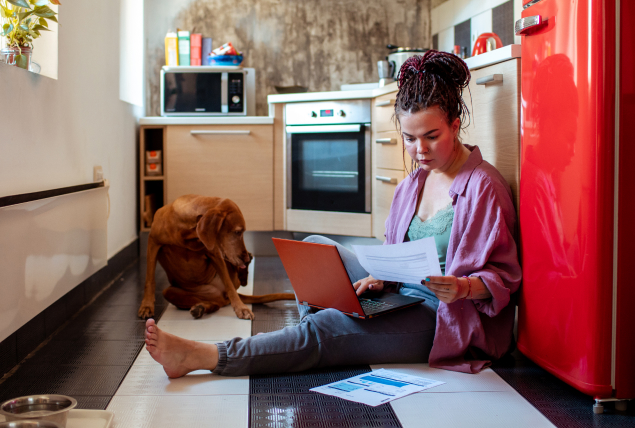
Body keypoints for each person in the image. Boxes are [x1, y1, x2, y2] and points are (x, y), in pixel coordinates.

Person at [144, 50, 522, 378]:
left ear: (455, 126)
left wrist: (463, 287)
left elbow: (505, 277)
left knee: (326, 328)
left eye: (431, 136)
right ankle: (330, 336)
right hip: (398, 292)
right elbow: (396, 254)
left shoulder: (483, 186)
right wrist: (378, 276)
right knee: (315, 248)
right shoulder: (414, 183)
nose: (419, 150)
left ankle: (206, 355)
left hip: (440, 314)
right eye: (409, 138)